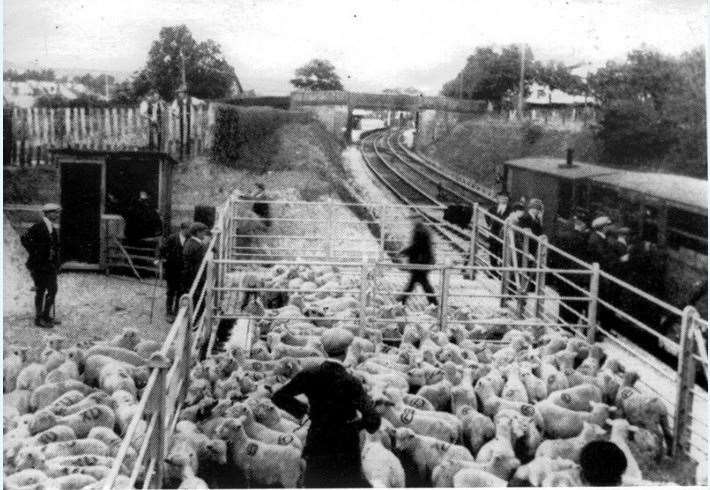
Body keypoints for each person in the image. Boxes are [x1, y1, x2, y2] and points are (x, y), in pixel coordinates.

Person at [272, 328, 381, 488]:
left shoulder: (309, 374)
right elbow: (373, 419)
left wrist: (303, 410)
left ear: (324, 350)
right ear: (345, 352)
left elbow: (278, 396)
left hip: (318, 440)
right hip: (346, 445)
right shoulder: (351, 381)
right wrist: (354, 426)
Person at [21, 203, 62, 328]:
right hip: (39, 266)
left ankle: (46, 315)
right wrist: (36, 252)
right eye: (55, 212)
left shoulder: (51, 228)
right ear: (48, 213)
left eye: (57, 212)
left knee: (53, 290)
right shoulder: (38, 226)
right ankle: (38, 318)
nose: (57, 215)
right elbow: (24, 238)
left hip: (49, 266)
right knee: (40, 291)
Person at [397, 215, 437, 306]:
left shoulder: (419, 231)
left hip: (421, 261)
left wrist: (403, 252)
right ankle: (433, 302)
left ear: (419, 219)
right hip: (423, 261)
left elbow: (416, 247)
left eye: (413, 219)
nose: (412, 221)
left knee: (419, 282)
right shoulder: (422, 229)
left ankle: (401, 300)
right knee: (419, 282)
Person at [160, 221, 190, 321]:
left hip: (182, 271)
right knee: (170, 292)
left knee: (180, 292)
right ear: (182, 229)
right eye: (187, 230)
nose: (188, 232)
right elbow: (163, 248)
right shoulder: (172, 238)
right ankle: (169, 313)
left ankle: (177, 311)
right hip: (171, 270)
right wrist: (161, 258)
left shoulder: (189, 239)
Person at [182, 222, 209, 298]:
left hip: (189, 279)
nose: (205, 235)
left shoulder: (190, 242)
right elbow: (199, 265)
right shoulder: (197, 246)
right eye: (203, 232)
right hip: (196, 279)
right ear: (198, 232)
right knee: (198, 301)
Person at [486, 191, 511, 272]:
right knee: (493, 251)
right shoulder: (493, 208)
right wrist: (489, 224)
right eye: (501, 198)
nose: (504, 199)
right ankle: (493, 269)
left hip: (503, 234)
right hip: (494, 233)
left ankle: (500, 271)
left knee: (502, 252)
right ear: (498, 199)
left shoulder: (510, 210)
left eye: (505, 198)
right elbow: (487, 215)